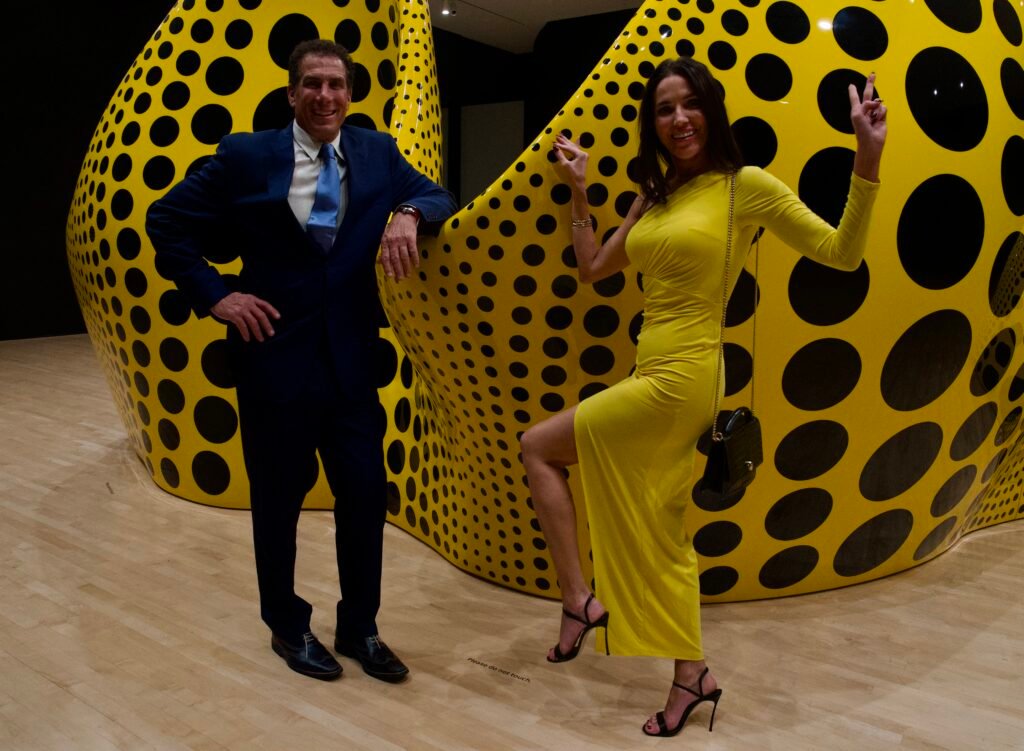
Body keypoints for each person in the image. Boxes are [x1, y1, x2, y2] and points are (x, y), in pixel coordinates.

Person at [521, 57, 886, 736]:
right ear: (652, 124)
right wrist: (579, 191)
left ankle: (588, 606)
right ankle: (678, 664)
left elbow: (841, 252)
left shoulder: (743, 186)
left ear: (710, 110)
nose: (679, 118)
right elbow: (596, 267)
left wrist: (866, 157)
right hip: (650, 370)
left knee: (545, 450)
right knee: (643, 515)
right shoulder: (654, 195)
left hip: (686, 374)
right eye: (664, 109)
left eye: (689, 104)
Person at [146, 39, 456, 683]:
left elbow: (438, 196)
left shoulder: (376, 152)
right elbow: (165, 221)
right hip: (272, 362)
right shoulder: (245, 155)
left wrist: (406, 211)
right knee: (278, 503)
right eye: (312, 85)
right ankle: (286, 626)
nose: (325, 96)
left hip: (351, 366)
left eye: (337, 85)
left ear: (350, 94)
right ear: (292, 95)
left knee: (365, 498)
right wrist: (218, 295)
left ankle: (360, 627)